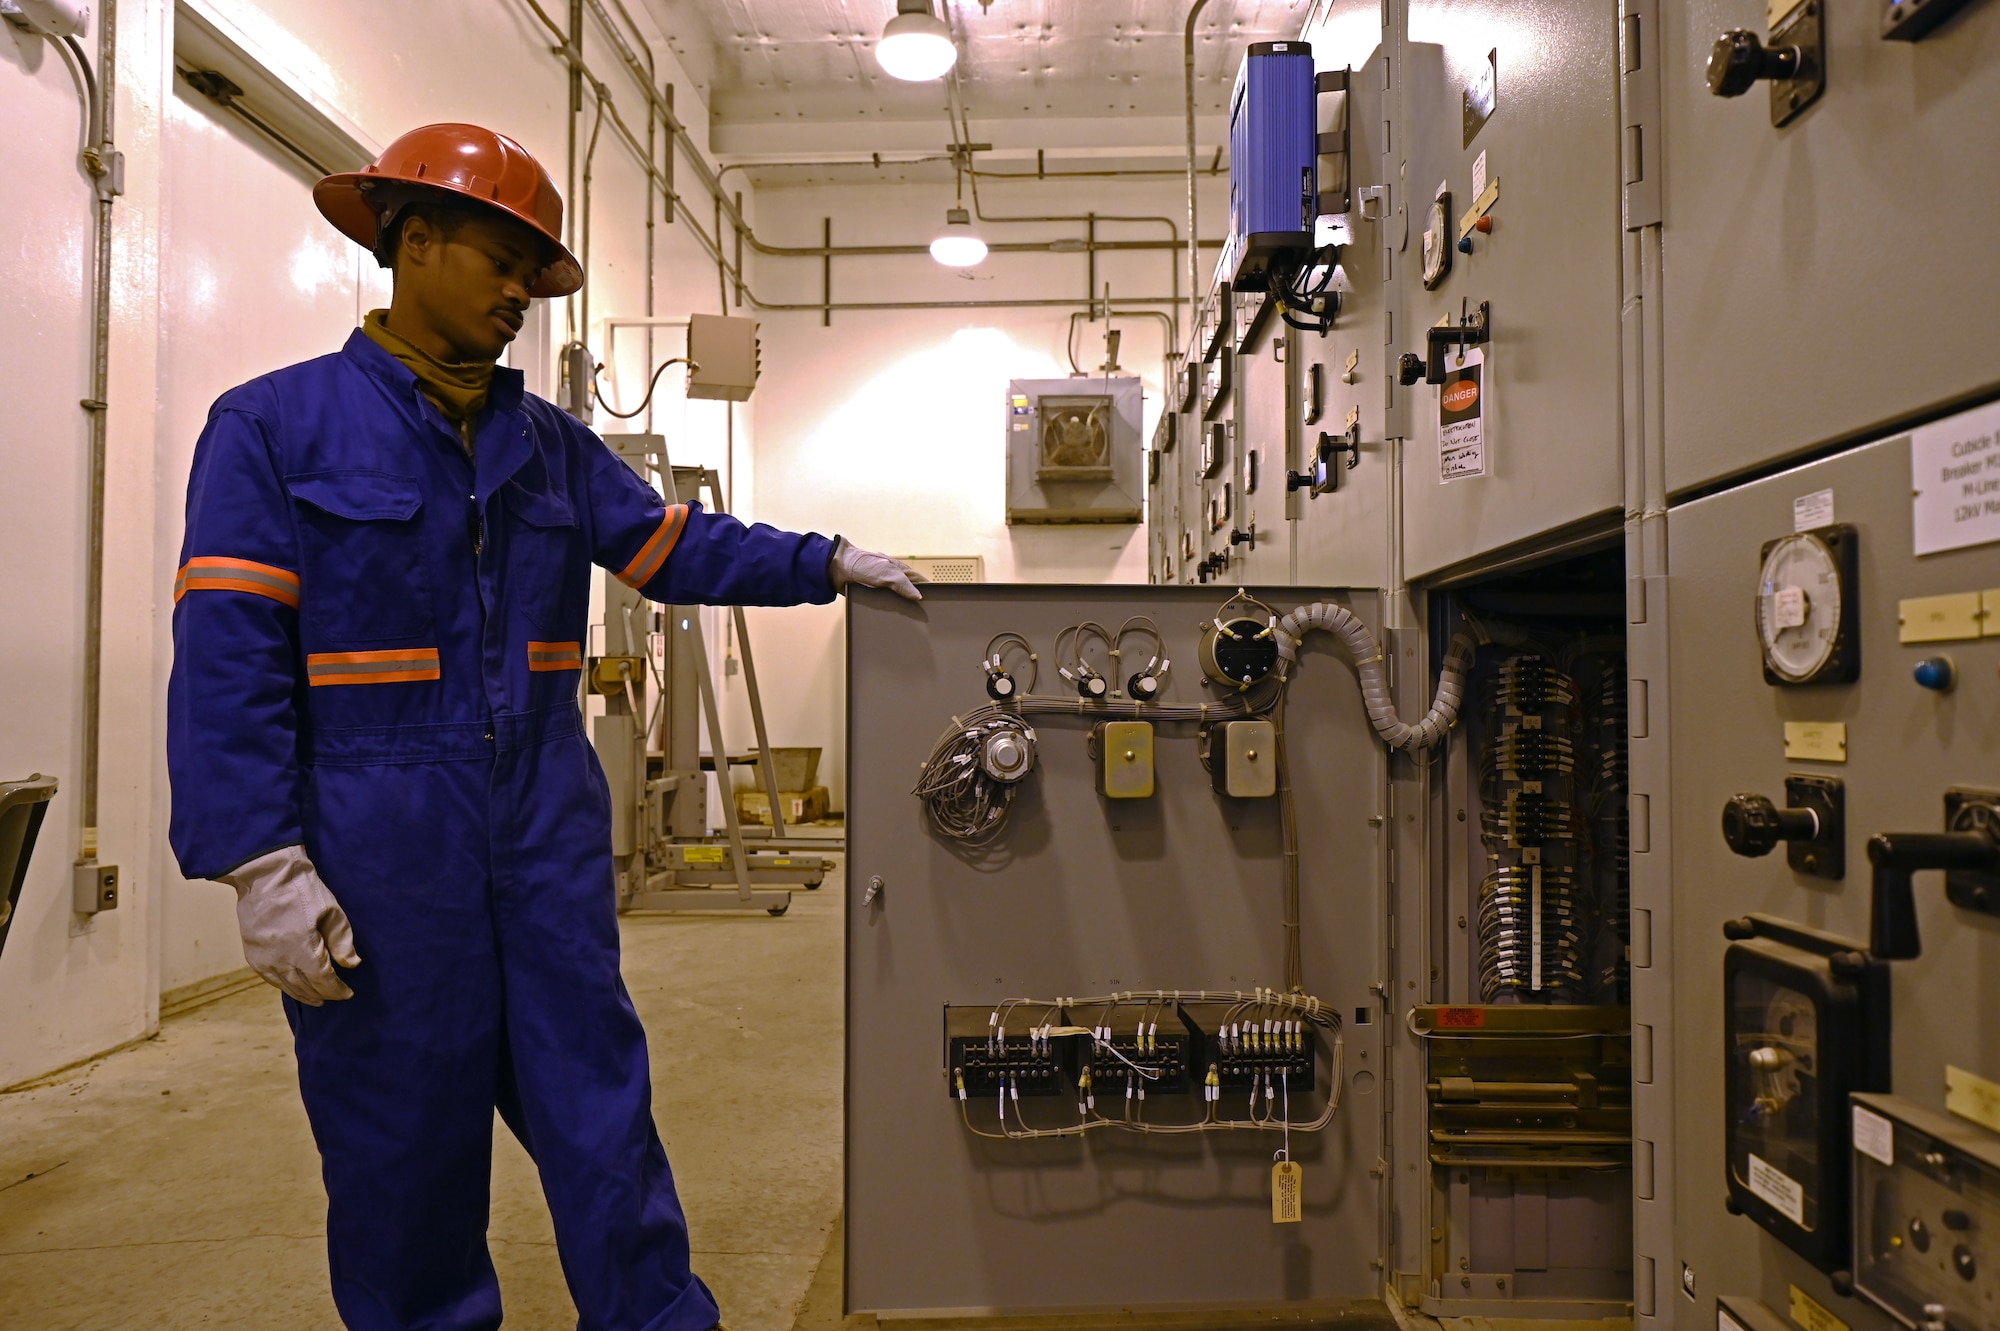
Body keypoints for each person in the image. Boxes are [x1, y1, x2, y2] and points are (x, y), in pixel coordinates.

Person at [165, 123, 919, 1331]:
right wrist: (259, 857)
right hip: (380, 851)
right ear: (411, 241)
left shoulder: (550, 447)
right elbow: (225, 656)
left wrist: (821, 561)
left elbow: (674, 547)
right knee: (403, 1149)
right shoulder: (270, 429)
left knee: (603, 1117)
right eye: (499, 258)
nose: (522, 291)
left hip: (544, 839)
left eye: (534, 268)